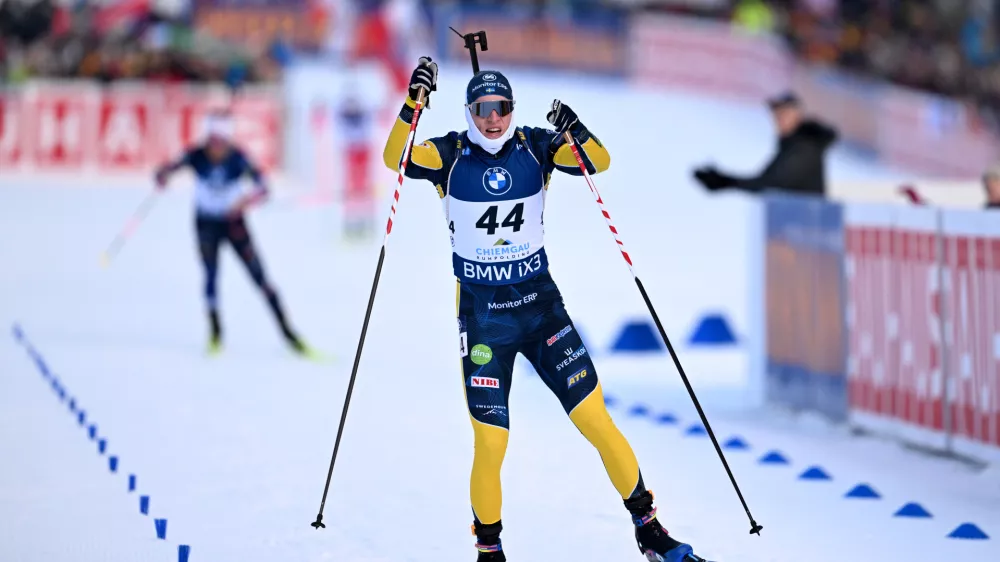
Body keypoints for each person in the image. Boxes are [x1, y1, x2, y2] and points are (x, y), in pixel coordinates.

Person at [382, 57, 713, 562]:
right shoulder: (447, 154)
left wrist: (573, 125)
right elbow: (393, 159)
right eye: (483, 109)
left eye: (502, 108)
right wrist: (413, 103)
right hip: (485, 319)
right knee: (491, 444)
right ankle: (489, 551)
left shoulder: (535, 146)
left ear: (513, 109)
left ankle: (649, 530)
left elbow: (598, 162)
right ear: (470, 110)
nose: (493, 118)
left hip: (542, 312)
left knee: (597, 420)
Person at [154, 112, 313, 357]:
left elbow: (263, 187)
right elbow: (166, 170)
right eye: (212, 141)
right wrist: (162, 176)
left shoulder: (238, 158)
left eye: (221, 142)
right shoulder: (196, 155)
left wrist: (247, 200)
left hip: (233, 223)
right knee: (210, 276)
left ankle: (289, 334)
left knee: (260, 278)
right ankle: (216, 333)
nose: (216, 147)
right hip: (206, 223)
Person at [693, 91, 837, 197]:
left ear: (798, 115)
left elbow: (770, 183)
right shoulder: (793, 144)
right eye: (777, 115)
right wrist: (725, 181)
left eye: (784, 114)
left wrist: (726, 181)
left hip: (804, 229)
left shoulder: (804, 146)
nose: (779, 120)